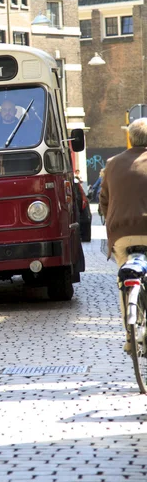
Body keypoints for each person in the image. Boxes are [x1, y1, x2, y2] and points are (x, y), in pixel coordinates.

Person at [99, 118, 147, 352]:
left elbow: (104, 201)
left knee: (124, 278)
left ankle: (130, 336)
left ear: (130, 138)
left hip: (121, 233)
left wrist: (110, 220)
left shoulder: (112, 164)